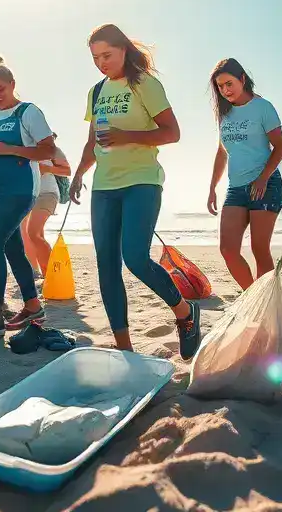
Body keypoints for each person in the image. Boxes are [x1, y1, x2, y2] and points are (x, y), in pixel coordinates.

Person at [69, 24, 202, 360]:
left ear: (124, 50)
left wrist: (125, 135)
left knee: (136, 258)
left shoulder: (144, 83)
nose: (101, 63)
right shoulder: (96, 92)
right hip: (104, 187)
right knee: (107, 265)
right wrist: (79, 174)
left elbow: (172, 133)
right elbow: (93, 141)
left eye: (107, 55)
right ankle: (125, 348)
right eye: (95, 58)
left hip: (142, 181)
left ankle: (185, 313)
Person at [0, 57, 56, 337]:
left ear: (13, 85)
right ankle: (32, 305)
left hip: (20, 190)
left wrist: (10, 149)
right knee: (12, 248)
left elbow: (48, 150)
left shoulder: (28, 112)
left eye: (0, 89)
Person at [206, 58, 282, 290]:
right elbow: (222, 153)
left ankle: (265, 303)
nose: (225, 90)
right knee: (228, 250)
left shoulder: (263, 107)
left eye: (229, 83)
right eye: (220, 86)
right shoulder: (225, 113)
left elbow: (280, 147)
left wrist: (263, 178)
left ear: (242, 79)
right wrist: (212, 188)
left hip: (266, 184)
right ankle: (253, 297)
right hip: (236, 187)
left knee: (260, 249)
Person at [21, 137, 71, 277]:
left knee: (33, 232)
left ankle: (52, 275)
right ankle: (35, 272)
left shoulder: (52, 149)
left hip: (47, 193)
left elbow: (67, 170)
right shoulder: (20, 148)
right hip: (26, 195)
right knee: (26, 233)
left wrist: (46, 168)